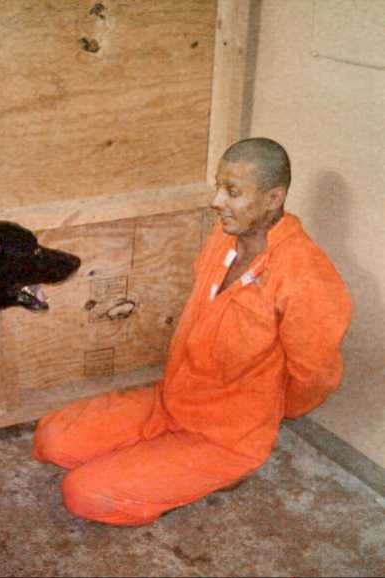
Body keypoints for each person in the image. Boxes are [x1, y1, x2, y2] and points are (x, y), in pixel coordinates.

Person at [33, 137, 352, 526]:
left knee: (82, 493)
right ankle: (157, 457)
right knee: (51, 439)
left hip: (225, 437)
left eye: (232, 192)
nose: (217, 201)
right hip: (173, 401)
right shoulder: (223, 237)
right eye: (219, 187)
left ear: (273, 198)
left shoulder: (307, 276)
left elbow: (315, 377)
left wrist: (259, 417)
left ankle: (220, 470)